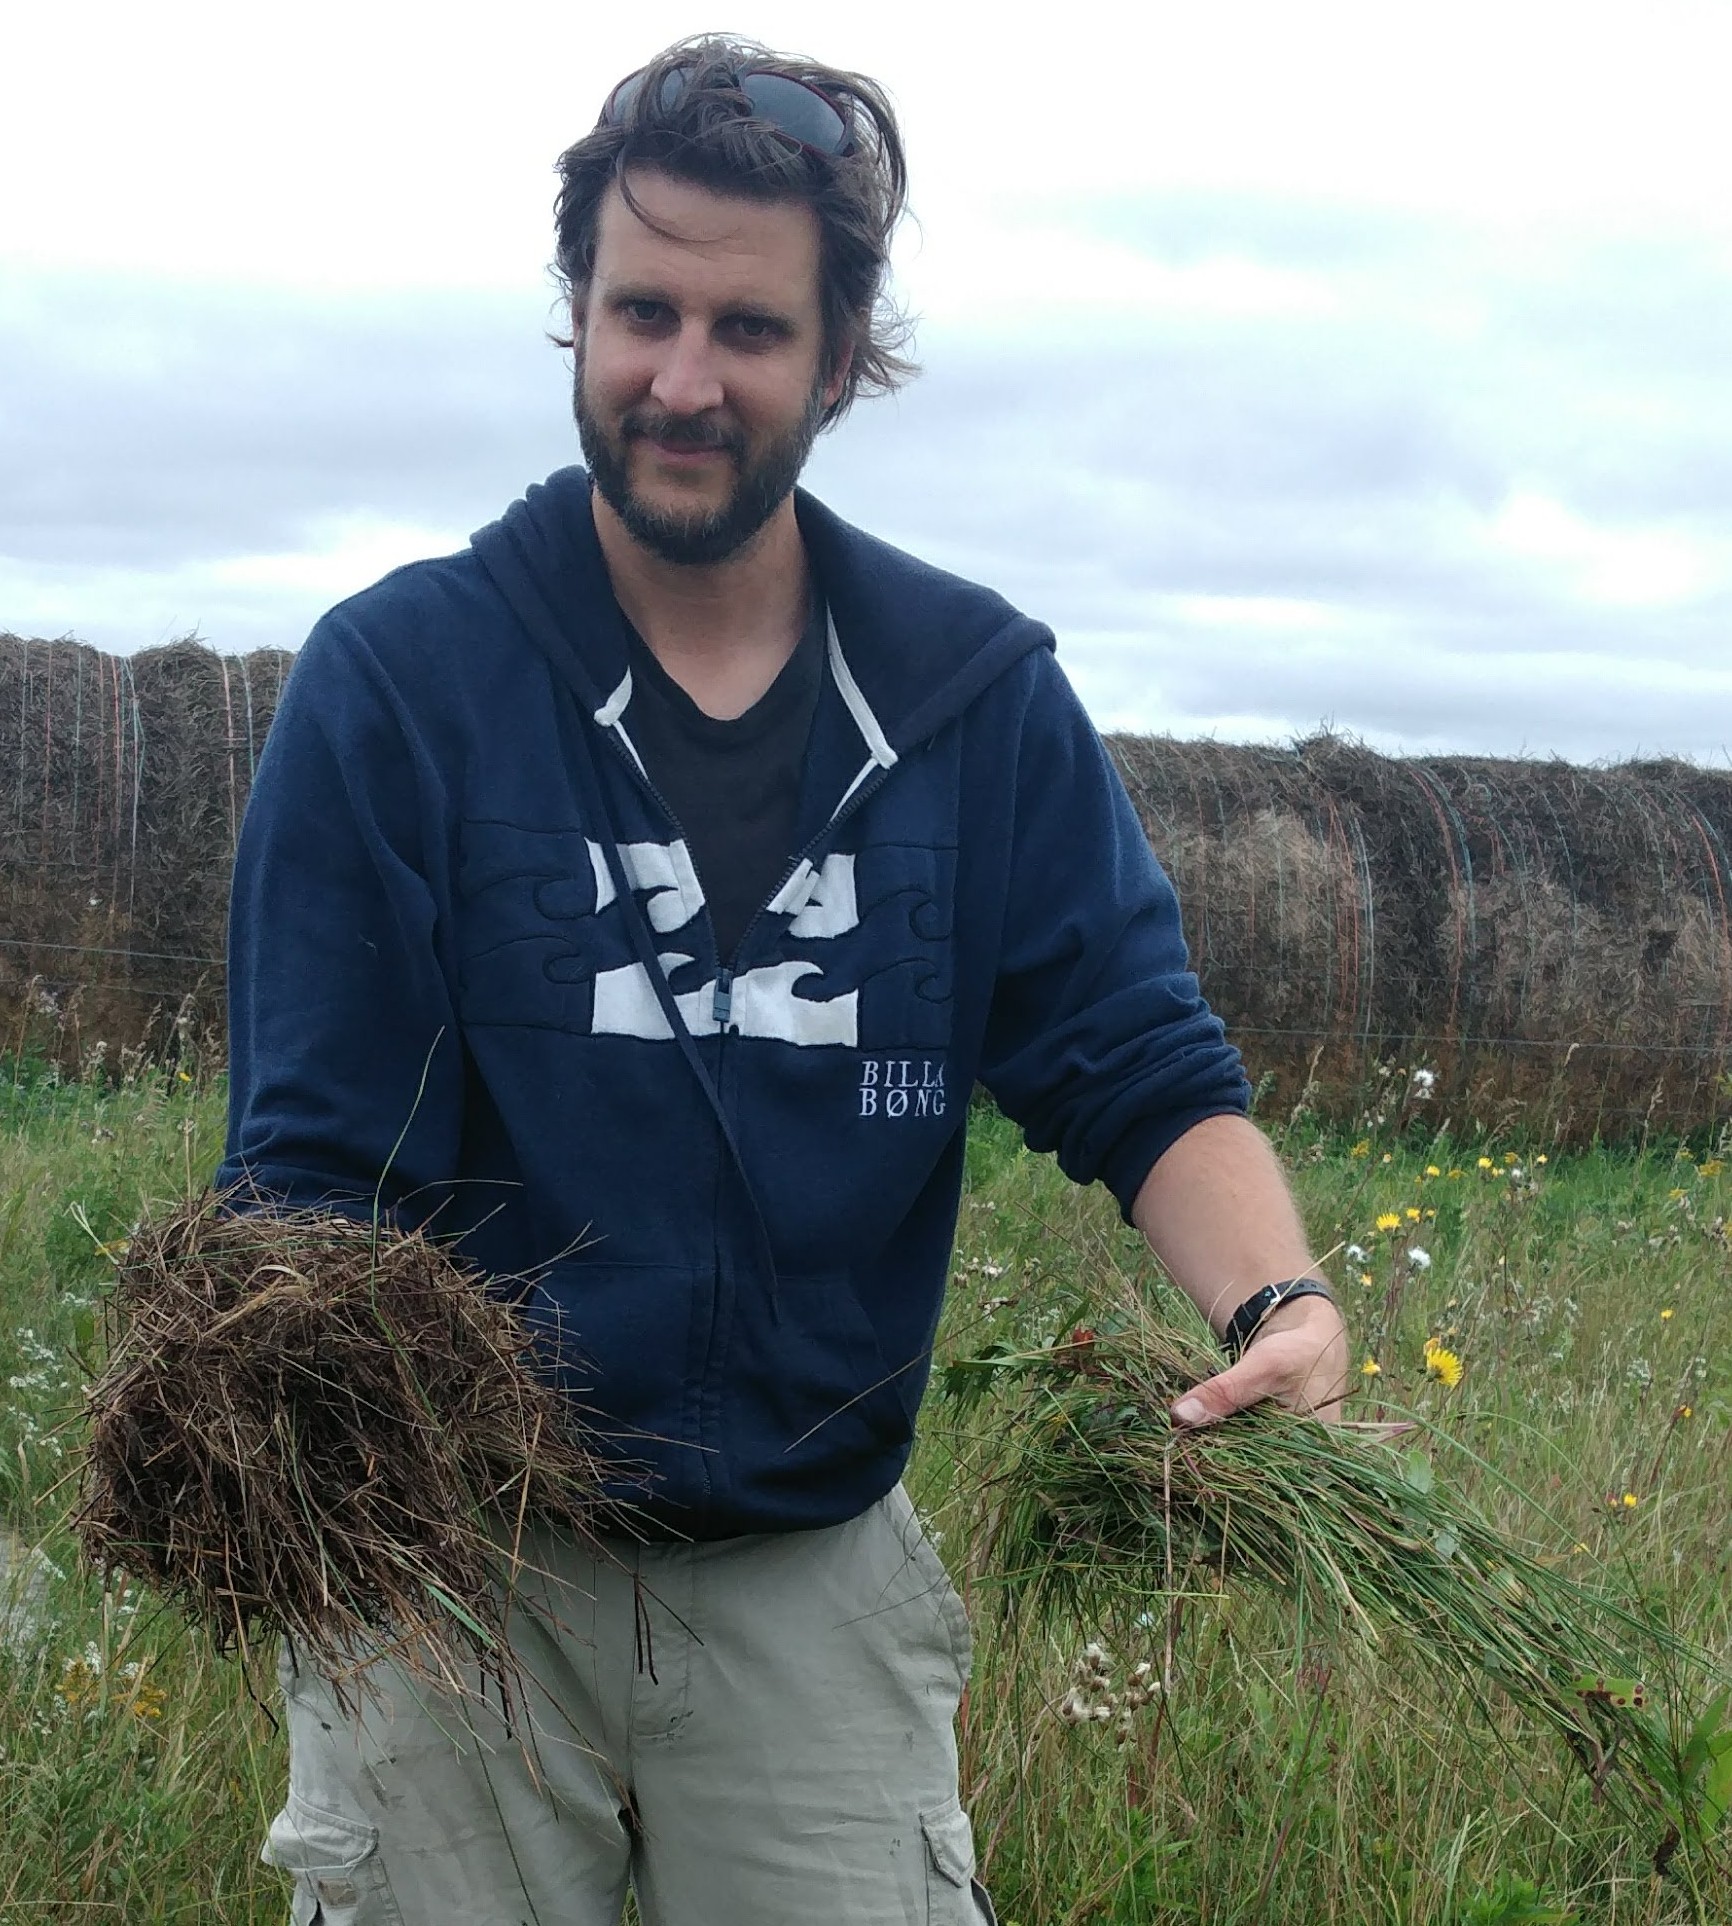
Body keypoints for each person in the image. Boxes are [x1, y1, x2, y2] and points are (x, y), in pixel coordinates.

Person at [220, 33, 1349, 1926]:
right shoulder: (400, 685)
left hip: (810, 1582)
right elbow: (308, 1172)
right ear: (576, 315)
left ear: (840, 360)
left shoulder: (972, 702)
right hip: (445, 1580)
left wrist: (1282, 1299)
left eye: (748, 328)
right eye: (640, 312)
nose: (682, 379)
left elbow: (1140, 1062)